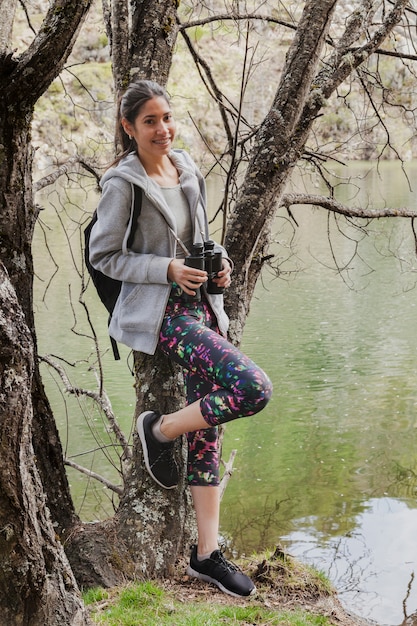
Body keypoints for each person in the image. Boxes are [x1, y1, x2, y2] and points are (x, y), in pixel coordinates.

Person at [89, 79, 273, 598]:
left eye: (167, 117)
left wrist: (218, 268)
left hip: (202, 305)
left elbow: (199, 238)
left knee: (211, 425)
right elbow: (104, 256)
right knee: (252, 387)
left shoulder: (187, 167)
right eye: (149, 121)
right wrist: (166, 268)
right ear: (129, 128)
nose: (163, 129)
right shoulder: (121, 183)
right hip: (162, 314)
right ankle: (163, 431)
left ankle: (206, 555)